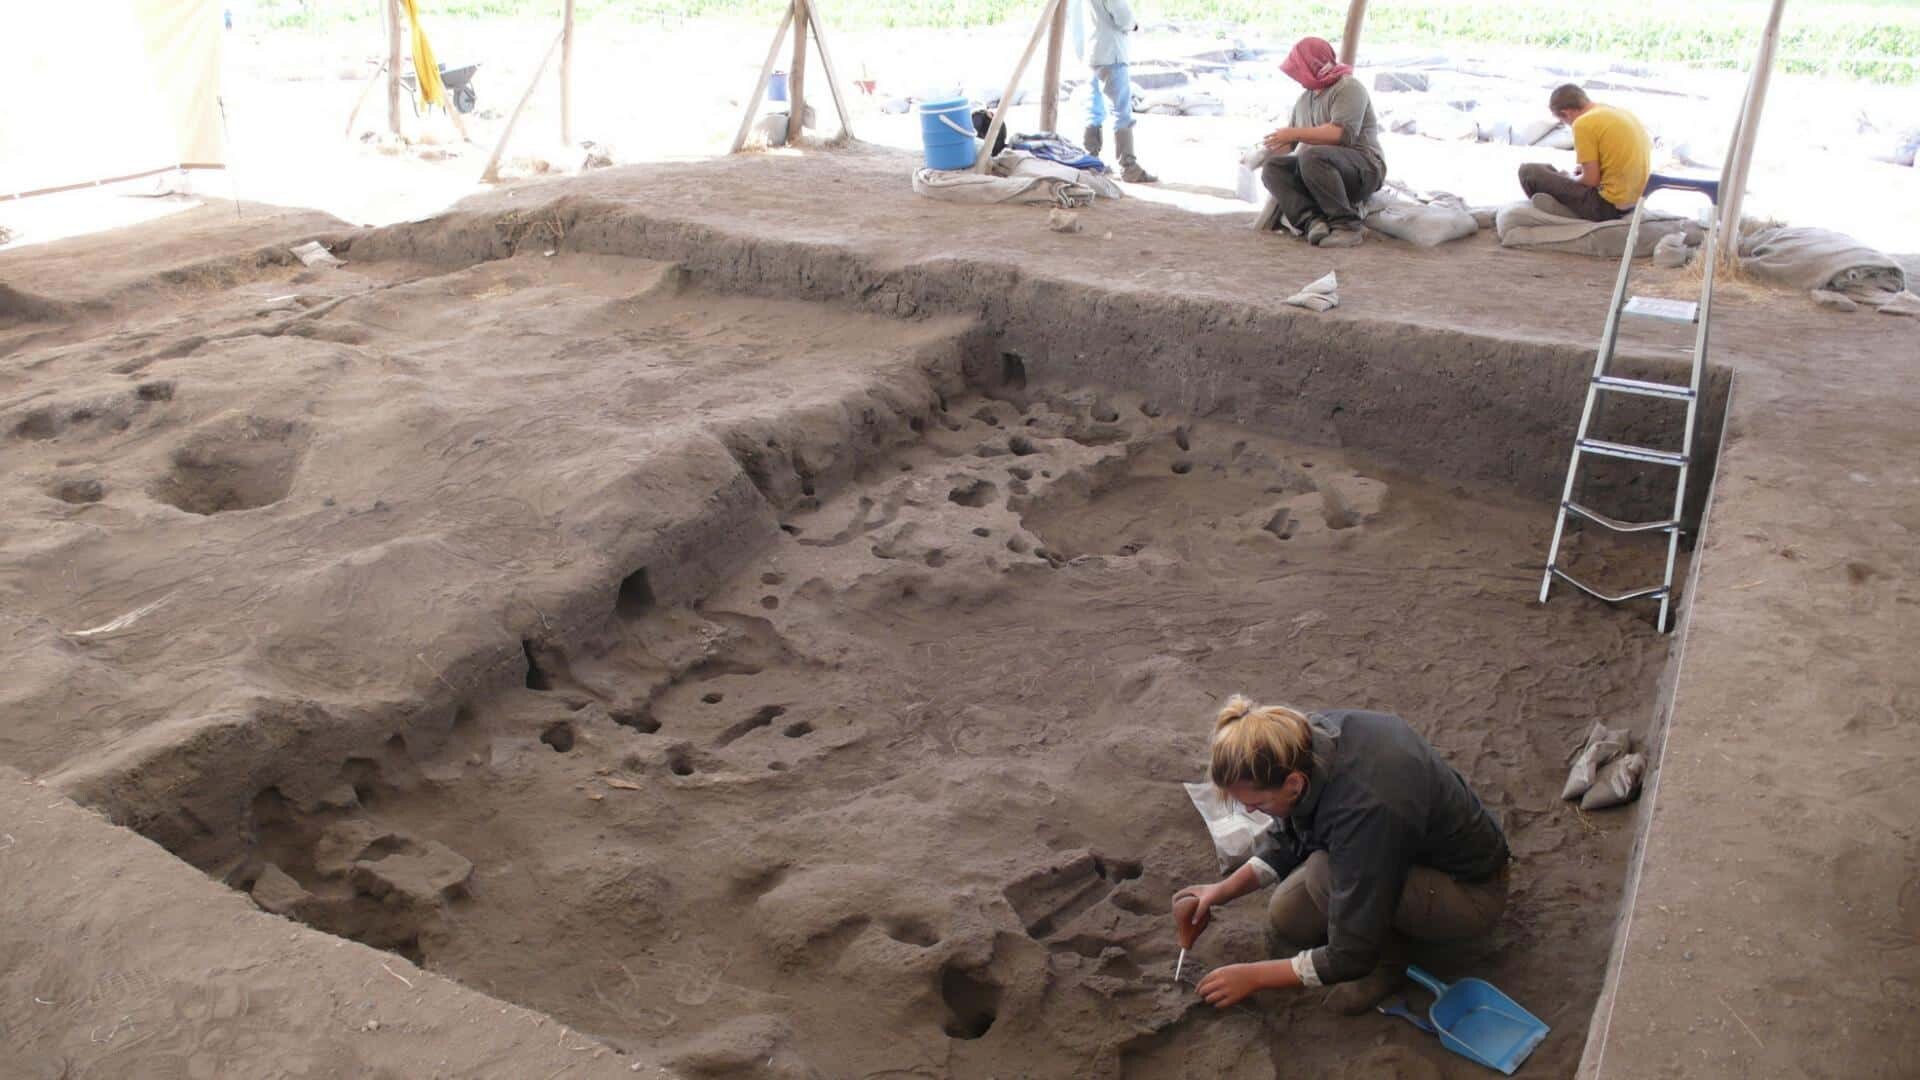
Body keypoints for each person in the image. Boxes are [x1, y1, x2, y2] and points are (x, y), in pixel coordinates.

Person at [1173, 696, 1512, 1015]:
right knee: (1288, 918)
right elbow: (1289, 829)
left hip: (1469, 890)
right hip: (1398, 851)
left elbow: (1350, 956)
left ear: (1292, 783)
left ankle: (1388, 964)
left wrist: (1254, 977)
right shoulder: (1303, 742)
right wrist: (1220, 891)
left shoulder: (1366, 809)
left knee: (1324, 872)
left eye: (1257, 803)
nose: (1250, 811)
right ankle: (1378, 921)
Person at [1259, 37, 1385, 248]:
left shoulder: (1348, 88)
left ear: (1313, 64)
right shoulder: (1303, 101)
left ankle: (1347, 226)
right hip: (1319, 170)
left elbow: (1340, 134)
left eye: (1299, 69)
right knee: (1273, 168)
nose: (1297, 76)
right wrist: (1264, 149)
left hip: (1364, 168)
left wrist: (1292, 134)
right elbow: (1290, 143)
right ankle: (1313, 222)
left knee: (1313, 155)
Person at [1517, 85, 1651, 222]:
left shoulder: (1583, 123)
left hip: (1607, 207)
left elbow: (1591, 180)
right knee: (1553, 171)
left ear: (1565, 114)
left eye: (1563, 121)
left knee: (1529, 171)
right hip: (1635, 202)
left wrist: (1569, 177)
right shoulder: (1615, 112)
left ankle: (1559, 211)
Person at [1079, 0, 1156, 183]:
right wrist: (1135, 25)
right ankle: (1128, 167)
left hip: (1092, 53)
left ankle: (1090, 162)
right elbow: (1124, 18)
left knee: (1093, 110)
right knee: (1121, 112)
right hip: (1111, 53)